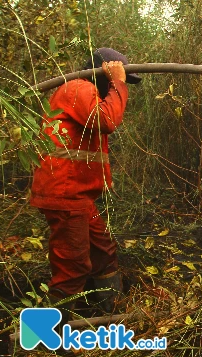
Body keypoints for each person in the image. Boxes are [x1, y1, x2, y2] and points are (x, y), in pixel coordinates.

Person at [30, 48, 141, 318]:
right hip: (66, 194)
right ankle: (55, 336)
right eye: (115, 77)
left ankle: (111, 312)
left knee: (103, 250)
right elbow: (107, 121)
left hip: (78, 195)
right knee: (73, 265)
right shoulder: (78, 87)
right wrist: (119, 83)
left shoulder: (89, 96)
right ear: (104, 73)